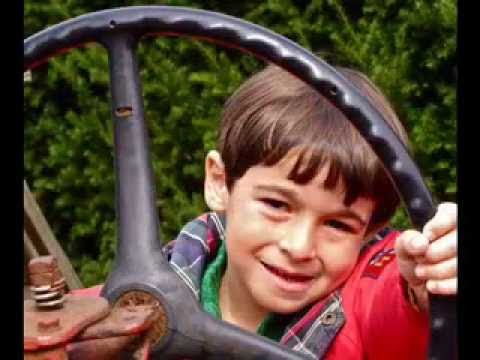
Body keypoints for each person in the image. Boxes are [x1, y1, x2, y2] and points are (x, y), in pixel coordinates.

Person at [73, 64, 457, 359]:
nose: (299, 246)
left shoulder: (365, 303)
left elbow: (397, 302)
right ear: (220, 183)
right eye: (276, 205)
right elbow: (72, 320)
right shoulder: (139, 297)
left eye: (338, 224)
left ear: (371, 230)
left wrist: (426, 286)